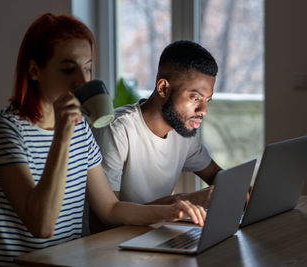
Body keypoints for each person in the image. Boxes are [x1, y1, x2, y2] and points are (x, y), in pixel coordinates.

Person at [0, 14, 206, 266]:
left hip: (63, 262)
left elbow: (109, 209)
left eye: (87, 68)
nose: (82, 81)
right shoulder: (2, 130)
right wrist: (61, 136)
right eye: (69, 69)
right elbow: (41, 225)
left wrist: (171, 211)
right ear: (34, 71)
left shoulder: (80, 128)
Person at [91, 40, 222, 231]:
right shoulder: (117, 129)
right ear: (163, 88)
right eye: (195, 98)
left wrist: (243, 191)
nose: (203, 110)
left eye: (207, 100)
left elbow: (215, 175)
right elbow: (102, 220)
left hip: (152, 237)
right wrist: (185, 201)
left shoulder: (183, 132)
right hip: (112, 246)